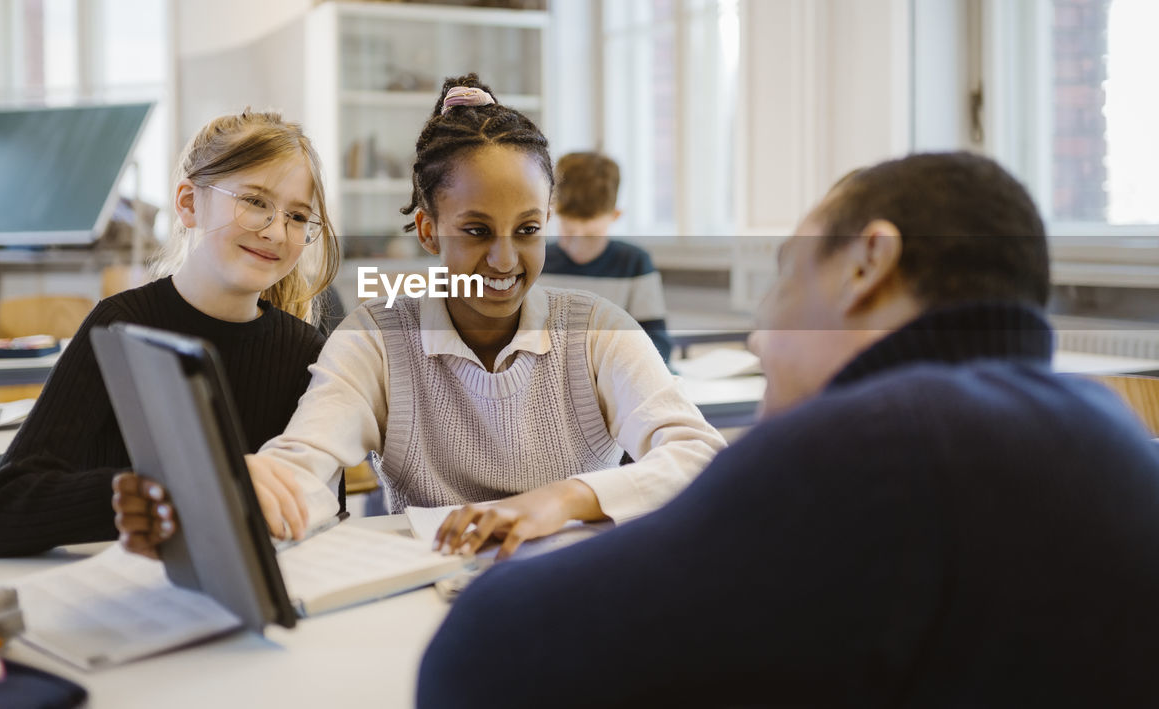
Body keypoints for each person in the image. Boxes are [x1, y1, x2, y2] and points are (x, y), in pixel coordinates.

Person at [417, 152, 1159, 707]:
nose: (758, 338)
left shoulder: (877, 447)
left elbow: (478, 661)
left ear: (868, 262)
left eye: (785, 275)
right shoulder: (1111, 435)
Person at [222, 73, 723, 558]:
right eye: (477, 231)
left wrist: (561, 499)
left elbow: (700, 457)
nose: (505, 261)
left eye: (527, 230)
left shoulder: (598, 329)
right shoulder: (376, 337)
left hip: (574, 590)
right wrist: (258, 489)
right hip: (437, 597)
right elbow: (307, 459)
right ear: (428, 230)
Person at [0, 109, 340, 557]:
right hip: (125, 591)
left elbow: (322, 518)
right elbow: (3, 512)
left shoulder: (305, 350)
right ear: (188, 204)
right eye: (255, 202)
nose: (277, 232)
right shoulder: (119, 326)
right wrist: (175, 488)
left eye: (298, 216)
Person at [542, 151, 671, 363]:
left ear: (615, 216)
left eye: (591, 234)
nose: (579, 244)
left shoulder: (634, 263)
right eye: (569, 231)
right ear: (551, 213)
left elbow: (657, 343)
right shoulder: (539, 262)